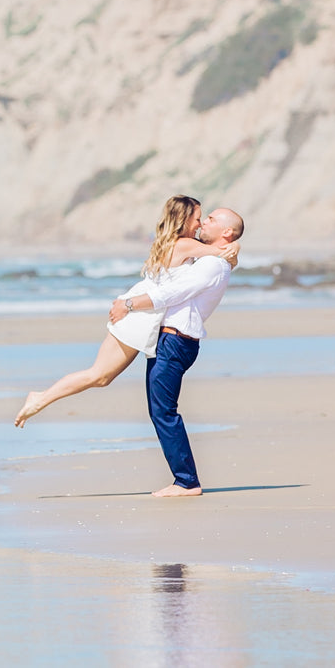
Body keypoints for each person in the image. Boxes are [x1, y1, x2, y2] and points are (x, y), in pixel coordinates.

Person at [13, 196, 238, 428]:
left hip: (143, 311)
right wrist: (235, 246)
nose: (200, 225)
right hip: (140, 314)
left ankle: (41, 398)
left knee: (101, 377)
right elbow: (223, 249)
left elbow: (221, 254)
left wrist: (233, 249)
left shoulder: (176, 242)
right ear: (184, 219)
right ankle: (39, 398)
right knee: (99, 375)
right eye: (198, 219)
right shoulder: (185, 245)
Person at [107, 207, 244, 497]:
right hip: (172, 340)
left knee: (163, 412)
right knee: (161, 412)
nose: (203, 221)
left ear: (226, 232)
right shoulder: (213, 259)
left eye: (210, 219)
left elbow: (171, 293)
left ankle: (186, 481)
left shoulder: (212, 265)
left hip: (175, 342)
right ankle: (184, 479)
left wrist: (128, 304)